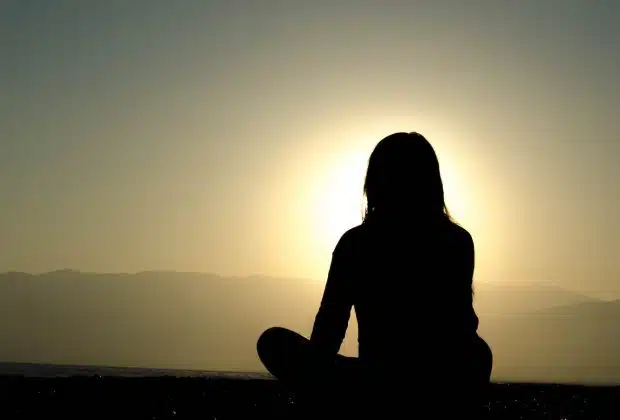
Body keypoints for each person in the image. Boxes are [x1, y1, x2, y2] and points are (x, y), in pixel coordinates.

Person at [257, 132, 493, 416]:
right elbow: (462, 326)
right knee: (479, 353)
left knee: (273, 342)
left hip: (379, 381)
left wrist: (314, 381)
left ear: (375, 183)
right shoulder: (456, 240)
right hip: (432, 382)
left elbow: (329, 327)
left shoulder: (356, 243)